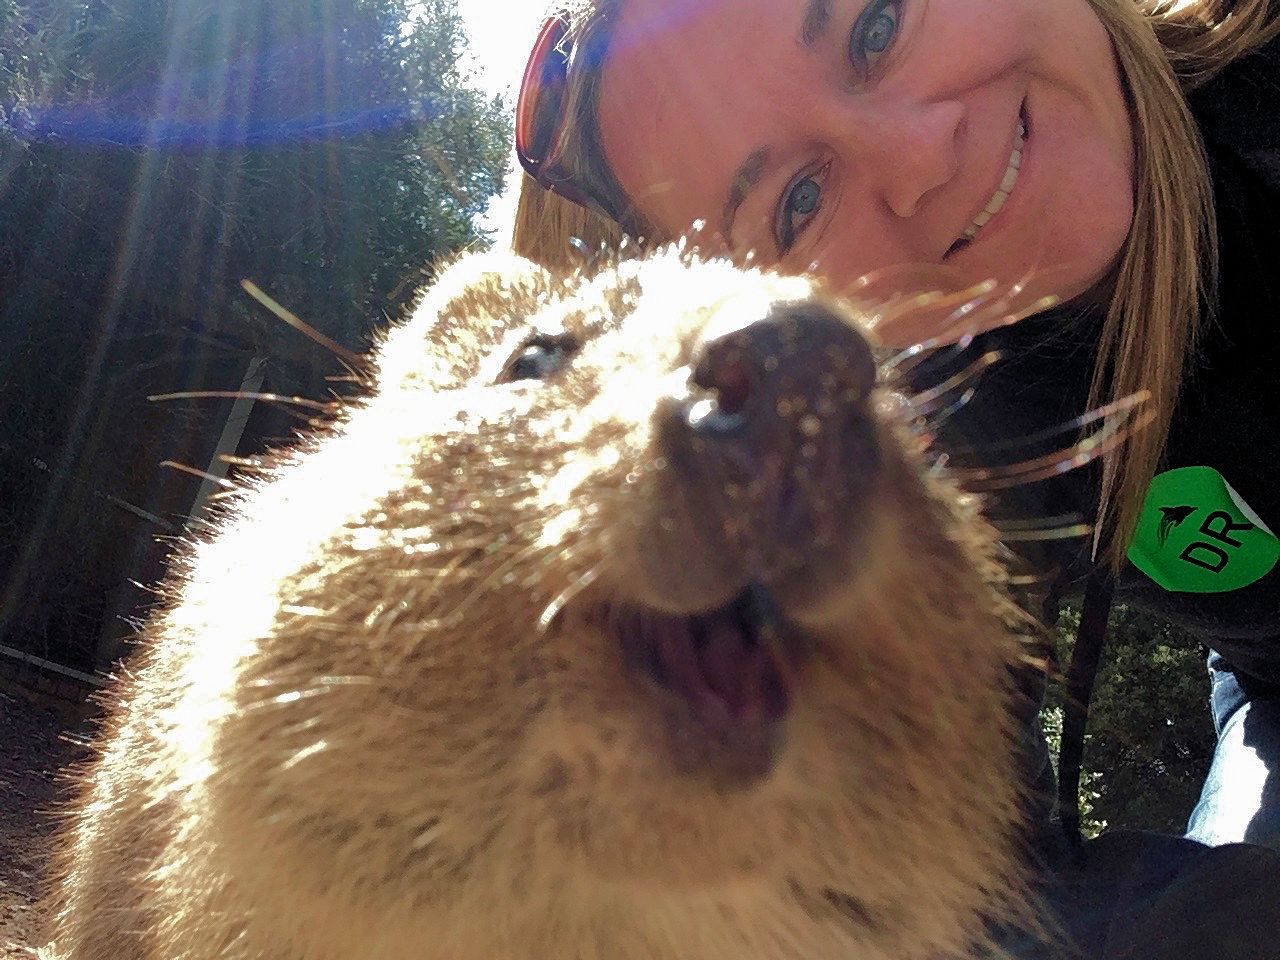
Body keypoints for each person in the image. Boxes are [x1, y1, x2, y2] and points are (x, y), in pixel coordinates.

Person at [507, 0, 1280, 955]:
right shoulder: (952, 449)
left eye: (876, 28)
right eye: (798, 202)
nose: (920, 160)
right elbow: (983, 877)